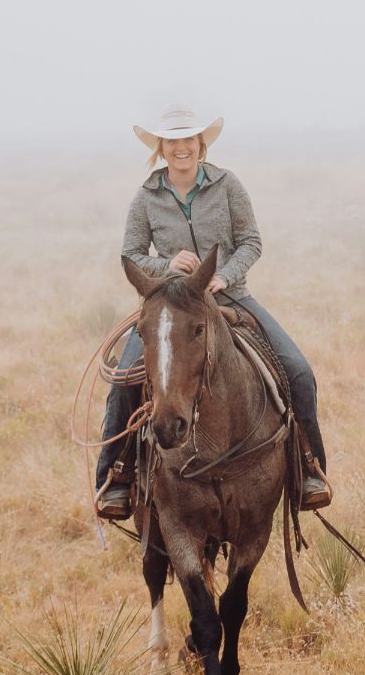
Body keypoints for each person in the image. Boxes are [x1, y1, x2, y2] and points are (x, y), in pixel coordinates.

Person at [96, 104, 331, 518]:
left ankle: (308, 471)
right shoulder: (146, 196)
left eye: (188, 139)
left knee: (297, 370)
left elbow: (251, 242)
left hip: (230, 295)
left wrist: (223, 276)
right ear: (162, 147)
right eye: (173, 141)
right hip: (171, 304)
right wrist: (165, 266)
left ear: (200, 144)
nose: (181, 147)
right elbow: (132, 254)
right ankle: (117, 478)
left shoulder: (228, 185)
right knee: (124, 382)